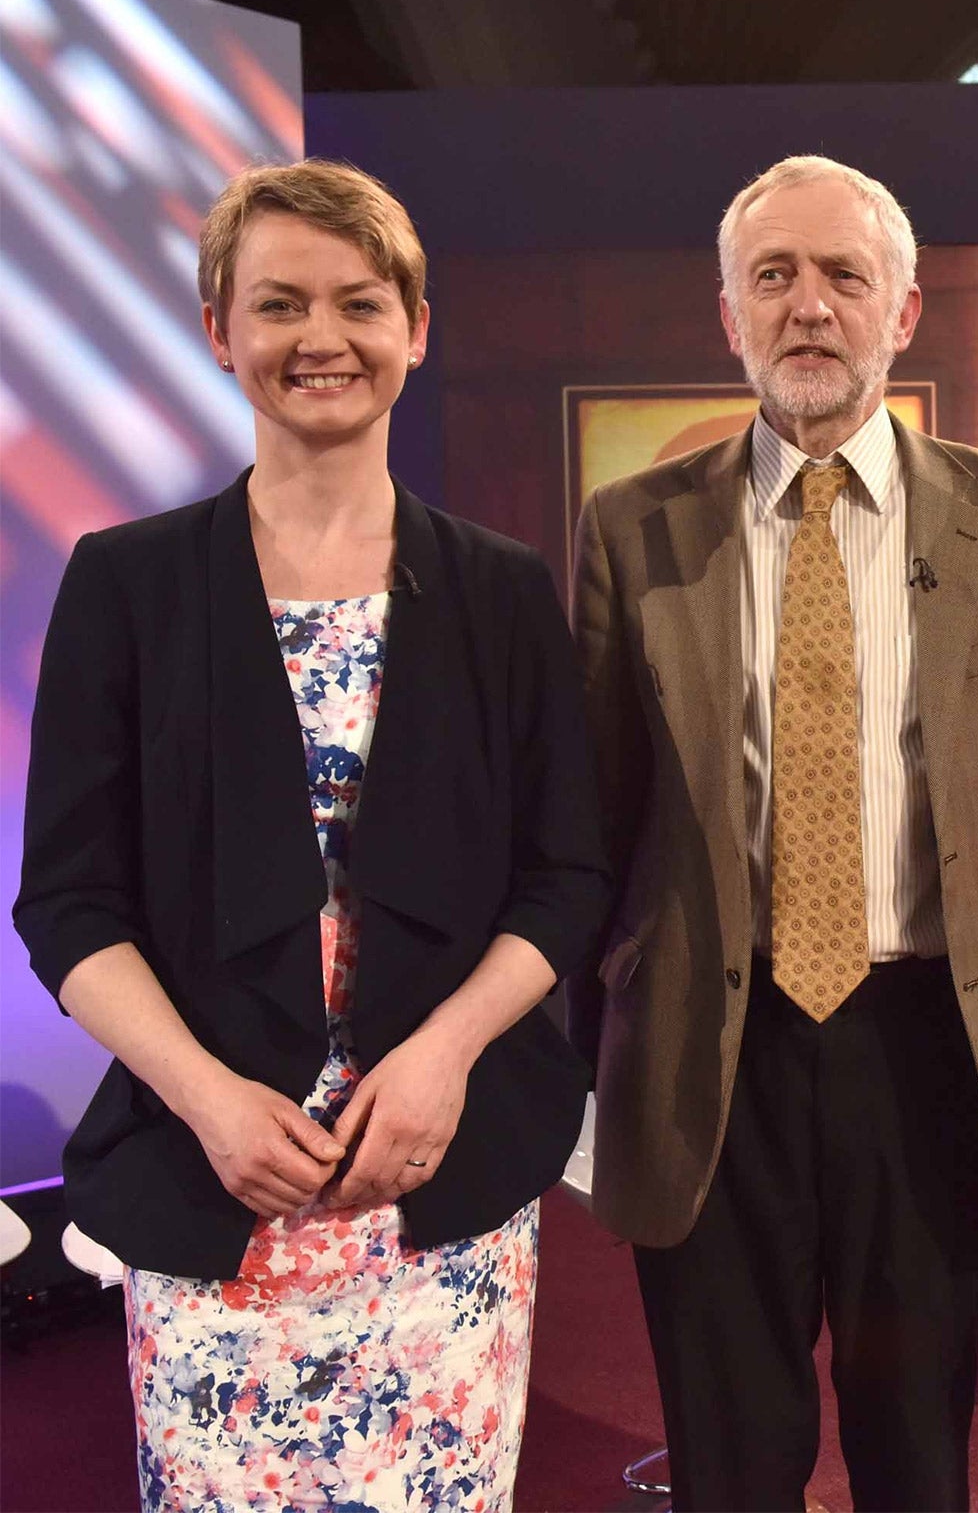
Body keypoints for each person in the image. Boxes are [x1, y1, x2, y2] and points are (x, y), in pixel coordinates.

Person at [12, 159, 608, 1510]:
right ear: (219, 330)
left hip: (442, 1190)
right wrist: (207, 1099)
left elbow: (567, 879)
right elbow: (69, 905)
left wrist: (448, 1056)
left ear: (417, 327)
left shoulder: (504, 590)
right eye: (278, 304)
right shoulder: (127, 583)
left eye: (359, 302)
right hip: (215, 1188)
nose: (321, 338)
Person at [569, 154, 978, 1512]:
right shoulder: (631, 530)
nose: (809, 308)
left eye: (845, 276)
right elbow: (598, 818)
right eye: (772, 278)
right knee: (732, 1469)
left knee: (922, 1457)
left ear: (904, 312)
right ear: (728, 316)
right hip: (706, 1063)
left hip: (927, 1057)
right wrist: (577, 1076)